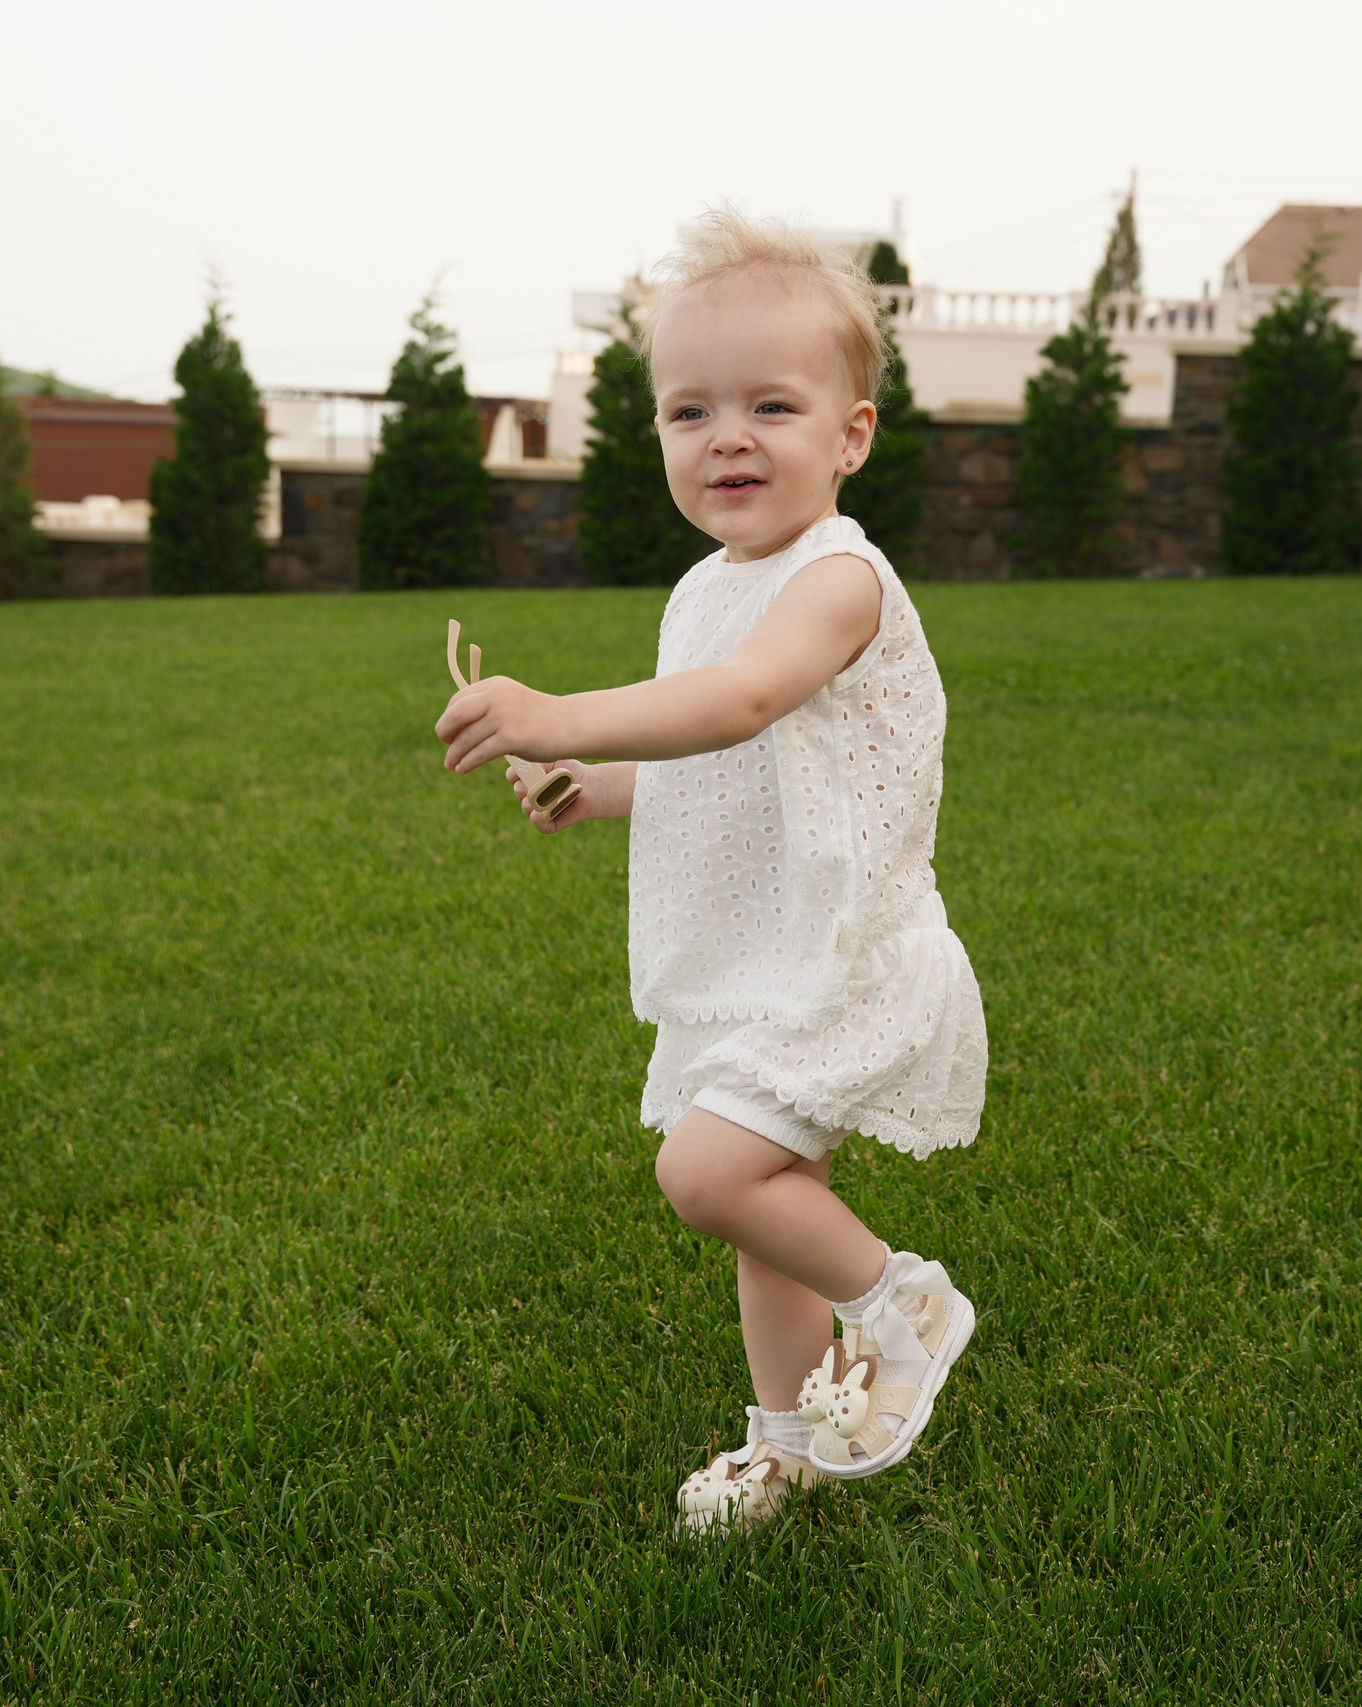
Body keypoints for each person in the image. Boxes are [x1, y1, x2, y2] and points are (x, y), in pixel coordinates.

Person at [434, 209, 987, 1531]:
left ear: (850, 435)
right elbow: (721, 761)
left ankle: (902, 1302)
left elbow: (742, 703)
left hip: (843, 954)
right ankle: (787, 1440)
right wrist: (599, 785)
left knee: (708, 1169)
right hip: (756, 951)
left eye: (773, 405)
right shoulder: (705, 586)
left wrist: (560, 712)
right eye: (691, 411)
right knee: (757, 1211)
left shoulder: (838, 580)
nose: (728, 435)